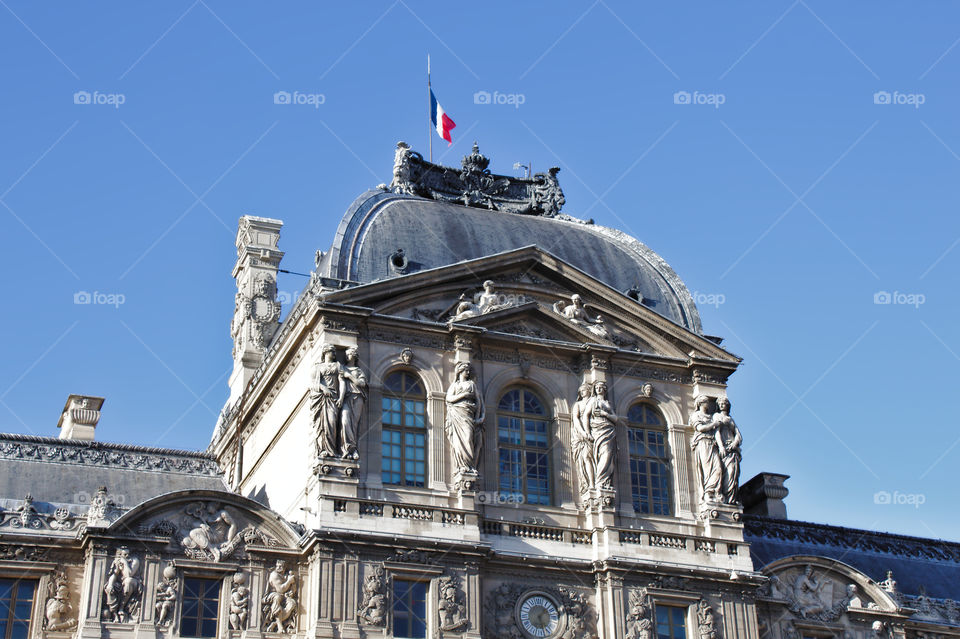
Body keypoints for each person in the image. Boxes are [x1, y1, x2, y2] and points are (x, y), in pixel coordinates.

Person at [444, 362, 485, 474]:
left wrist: (478, 418)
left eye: (468, 370)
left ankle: (469, 465)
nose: (467, 372)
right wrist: (464, 395)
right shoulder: (455, 385)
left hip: (469, 415)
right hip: (457, 414)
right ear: (460, 372)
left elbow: (478, 402)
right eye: (465, 370)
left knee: (468, 438)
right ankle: (463, 466)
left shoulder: (472, 384)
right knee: (459, 441)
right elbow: (449, 398)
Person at [310, 344, 341, 458]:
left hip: (334, 399)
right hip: (322, 399)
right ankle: (324, 449)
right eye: (331, 351)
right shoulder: (318, 367)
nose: (334, 354)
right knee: (323, 425)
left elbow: (342, 382)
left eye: (334, 351)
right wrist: (323, 388)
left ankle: (332, 450)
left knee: (332, 423)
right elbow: (313, 384)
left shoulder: (337, 366)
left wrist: (341, 397)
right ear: (325, 353)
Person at [690, 395, 722, 505]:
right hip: (703, 443)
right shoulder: (696, 415)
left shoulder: (711, 416)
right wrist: (713, 424)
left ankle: (714, 492)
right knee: (707, 468)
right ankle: (708, 493)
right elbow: (700, 428)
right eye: (705, 402)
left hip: (712, 443)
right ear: (700, 403)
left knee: (718, 469)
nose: (708, 404)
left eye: (708, 402)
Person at [588, 380, 618, 490]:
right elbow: (586, 416)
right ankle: (600, 482)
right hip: (597, 430)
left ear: (604, 389)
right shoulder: (592, 401)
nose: (599, 389)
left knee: (607, 455)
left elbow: (615, 419)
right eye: (596, 388)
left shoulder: (608, 403)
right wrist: (587, 432)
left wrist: (604, 414)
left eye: (601, 387)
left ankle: (603, 482)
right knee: (602, 454)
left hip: (609, 430)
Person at [339, 347, 367, 460]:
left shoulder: (358, 371)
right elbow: (341, 384)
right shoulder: (342, 369)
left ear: (354, 356)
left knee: (354, 424)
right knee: (345, 421)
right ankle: (347, 447)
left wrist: (349, 376)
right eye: (346, 354)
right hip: (346, 397)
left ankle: (353, 449)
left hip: (358, 396)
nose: (347, 356)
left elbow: (362, 383)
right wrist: (340, 398)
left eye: (349, 354)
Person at [713, 397, 743, 504]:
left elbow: (738, 435)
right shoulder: (717, 416)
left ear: (727, 405)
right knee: (727, 472)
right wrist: (721, 446)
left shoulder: (730, 419)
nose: (722, 405)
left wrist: (734, 444)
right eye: (720, 403)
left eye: (724, 403)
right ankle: (726, 497)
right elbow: (717, 432)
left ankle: (731, 499)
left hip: (732, 450)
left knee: (733, 473)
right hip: (724, 449)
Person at [571, 382, 596, 495]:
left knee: (590, 458)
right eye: (580, 391)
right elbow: (576, 419)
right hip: (580, 436)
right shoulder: (577, 404)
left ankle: (593, 484)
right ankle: (588, 484)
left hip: (592, 434)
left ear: (589, 391)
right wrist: (583, 433)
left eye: (584, 390)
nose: (582, 392)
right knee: (584, 458)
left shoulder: (594, 401)